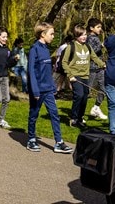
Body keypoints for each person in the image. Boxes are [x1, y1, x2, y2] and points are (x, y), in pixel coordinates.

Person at [26, 21, 73, 154]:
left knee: (54, 114)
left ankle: (59, 142)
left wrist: (53, 86)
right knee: (34, 115)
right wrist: (34, 90)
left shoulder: (46, 50)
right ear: (42, 34)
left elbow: (48, 72)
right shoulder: (34, 49)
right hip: (37, 90)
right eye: (51, 34)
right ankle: (31, 139)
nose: (53, 36)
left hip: (48, 90)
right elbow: (31, 72)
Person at [62, 23, 105, 128]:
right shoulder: (71, 46)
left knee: (85, 97)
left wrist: (103, 64)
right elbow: (64, 62)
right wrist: (70, 75)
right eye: (81, 35)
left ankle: (80, 118)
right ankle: (74, 118)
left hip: (86, 75)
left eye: (85, 34)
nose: (84, 37)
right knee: (79, 95)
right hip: (75, 76)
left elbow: (94, 58)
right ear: (76, 36)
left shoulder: (87, 46)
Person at [86, 17, 109, 121]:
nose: (100, 29)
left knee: (103, 89)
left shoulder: (96, 37)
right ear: (91, 28)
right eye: (98, 27)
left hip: (99, 68)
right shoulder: (89, 38)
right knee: (87, 90)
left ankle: (96, 107)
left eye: (101, 27)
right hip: (92, 69)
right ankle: (78, 113)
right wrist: (102, 45)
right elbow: (91, 52)